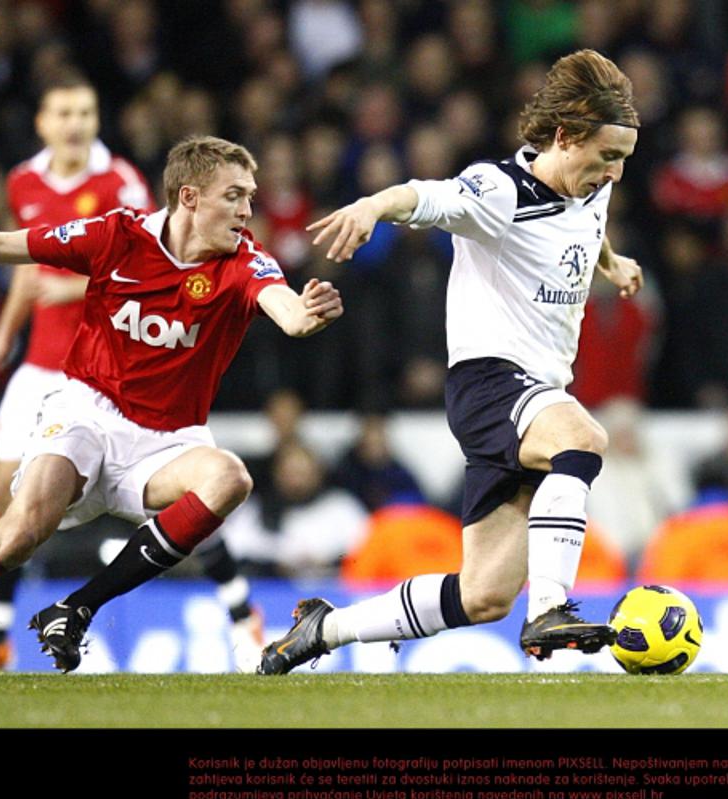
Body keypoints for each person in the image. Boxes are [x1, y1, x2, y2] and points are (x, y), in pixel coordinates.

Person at [0, 135, 343, 677]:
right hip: (87, 412)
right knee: (17, 536)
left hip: (168, 439)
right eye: (234, 195)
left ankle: (76, 609)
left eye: (250, 196)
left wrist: (308, 312)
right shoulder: (117, 236)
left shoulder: (243, 263)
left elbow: (287, 311)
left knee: (229, 477)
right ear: (189, 197)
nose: (247, 210)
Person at [258, 49, 644, 675]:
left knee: (482, 594)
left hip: (532, 393)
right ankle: (549, 609)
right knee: (583, 438)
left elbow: (587, 225)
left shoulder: (588, 187)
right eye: (607, 157)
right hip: (491, 381)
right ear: (566, 137)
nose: (615, 175)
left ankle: (322, 629)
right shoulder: (497, 190)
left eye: (624, 160)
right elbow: (423, 196)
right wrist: (369, 207)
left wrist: (612, 263)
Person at [0, 73, 265, 671]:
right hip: (44, 364)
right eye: (64, 113)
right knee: (7, 494)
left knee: (185, 495)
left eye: (86, 112)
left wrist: (64, 285)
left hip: (117, 365)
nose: (75, 124)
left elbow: (141, 265)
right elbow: (32, 255)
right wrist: (6, 335)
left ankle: (237, 606)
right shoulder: (23, 179)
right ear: (43, 123)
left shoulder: (117, 182)